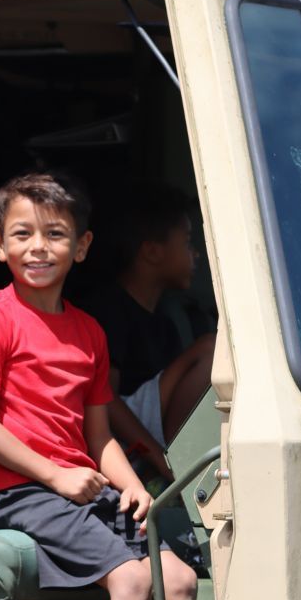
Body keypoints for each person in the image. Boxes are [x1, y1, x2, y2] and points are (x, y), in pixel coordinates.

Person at [0, 172, 198, 600]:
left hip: (82, 485)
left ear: (81, 247)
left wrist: (131, 483)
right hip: (25, 492)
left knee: (180, 584)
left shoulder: (89, 332)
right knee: (133, 582)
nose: (38, 247)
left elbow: (99, 437)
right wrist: (57, 477)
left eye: (55, 234)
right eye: (22, 234)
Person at [87, 184, 216, 480]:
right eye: (186, 242)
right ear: (152, 251)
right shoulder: (109, 310)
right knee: (211, 349)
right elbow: (105, 397)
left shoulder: (165, 325)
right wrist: (160, 459)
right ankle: (181, 464)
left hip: (149, 426)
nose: (194, 254)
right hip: (117, 434)